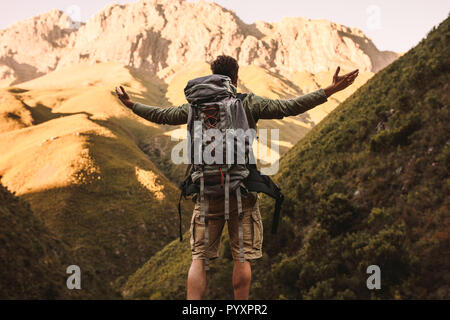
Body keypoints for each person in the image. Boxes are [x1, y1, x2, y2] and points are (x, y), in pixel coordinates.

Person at [116, 55, 359, 300]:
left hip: (206, 190)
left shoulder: (194, 107)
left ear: (213, 74)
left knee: (199, 259)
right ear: (235, 78)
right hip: (241, 190)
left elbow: (161, 115)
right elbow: (290, 107)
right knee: (241, 256)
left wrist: (131, 105)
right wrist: (330, 89)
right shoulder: (246, 103)